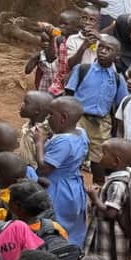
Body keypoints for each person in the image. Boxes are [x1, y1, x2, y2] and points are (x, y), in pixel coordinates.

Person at [65, 34, 126, 181]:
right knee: (73, 153)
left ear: (116, 56)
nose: (103, 51)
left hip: (101, 122)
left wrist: (117, 132)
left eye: (108, 49)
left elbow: (120, 105)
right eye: (101, 47)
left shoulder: (117, 79)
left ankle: (98, 190)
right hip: (79, 118)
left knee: (98, 158)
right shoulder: (83, 70)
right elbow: (68, 94)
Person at [35, 96, 89, 247]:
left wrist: (39, 143)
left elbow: (44, 168)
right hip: (74, 186)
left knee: (56, 225)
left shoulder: (63, 141)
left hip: (58, 189)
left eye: (51, 114)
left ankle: (60, 256)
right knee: (75, 228)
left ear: (64, 118)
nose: (47, 118)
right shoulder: (80, 132)